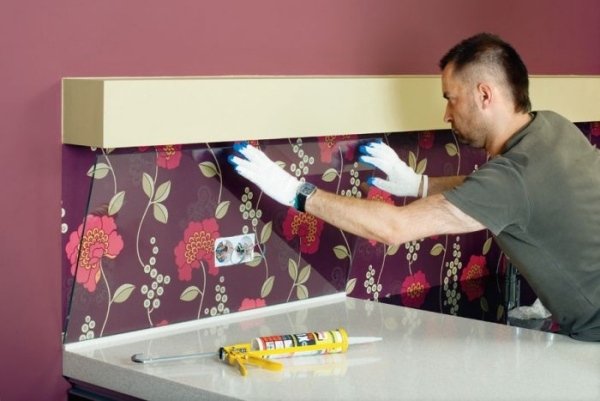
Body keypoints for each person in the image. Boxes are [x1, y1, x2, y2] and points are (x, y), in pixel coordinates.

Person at [229, 32, 600, 342]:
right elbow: (501, 191)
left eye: (450, 98)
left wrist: (297, 192)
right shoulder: (554, 127)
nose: (446, 114)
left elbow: (395, 228)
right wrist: (420, 184)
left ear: (485, 95)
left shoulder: (511, 179)